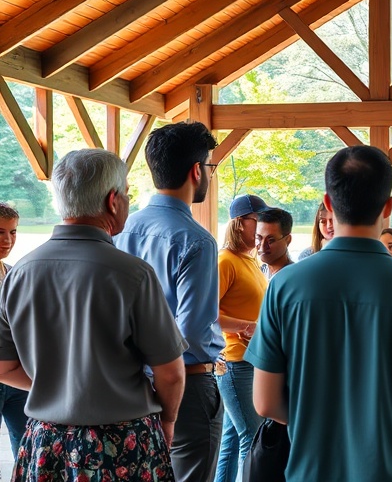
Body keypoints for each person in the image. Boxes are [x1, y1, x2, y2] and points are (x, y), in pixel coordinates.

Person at [245, 145, 392, 480]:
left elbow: (265, 401)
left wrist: (313, 427)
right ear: (387, 208)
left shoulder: (284, 286)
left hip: (311, 469)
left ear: (328, 204)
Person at [0, 149, 187, 479]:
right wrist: (168, 419)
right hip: (125, 442)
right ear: (113, 201)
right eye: (127, 193)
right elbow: (170, 373)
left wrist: (59, 388)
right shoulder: (132, 274)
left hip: (46, 442)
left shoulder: (20, 273)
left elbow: (4, 366)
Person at [114, 121, 225, 482]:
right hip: (187, 386)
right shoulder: (197, 241)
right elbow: (191, 331)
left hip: (126, 383)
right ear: (197, 171)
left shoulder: (119, 230)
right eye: (210, 166)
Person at [215, 195, 270, 482]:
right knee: (252, 436)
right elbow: (207, 312)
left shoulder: (249, 261)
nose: (262, 227)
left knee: (233, 440)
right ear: (239, 224)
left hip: (251, 359)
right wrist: (247, 327)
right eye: (257, 220)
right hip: (236, 361)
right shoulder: (225, 261)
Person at [0, 202, 27, 456]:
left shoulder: (13, 274)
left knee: (25, 450)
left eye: (13, 231)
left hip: (16, 376)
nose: (8, 240)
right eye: (0, 232)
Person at [256, 208, 294, 279]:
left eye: (271, 240)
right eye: (259, 238)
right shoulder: (259, 272)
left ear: (287, 240)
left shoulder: (294, 277)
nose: (262, 247)